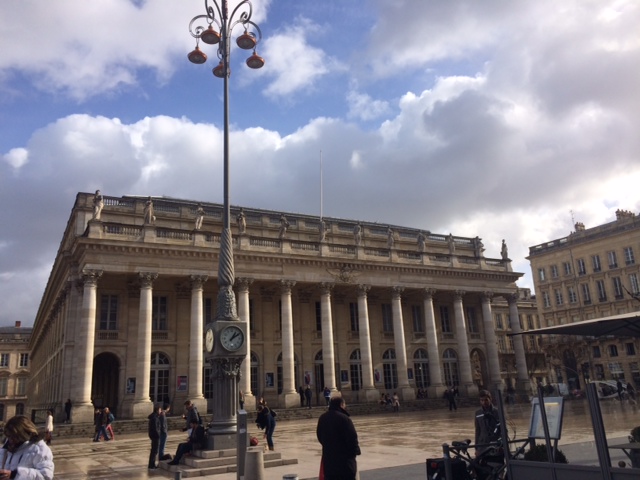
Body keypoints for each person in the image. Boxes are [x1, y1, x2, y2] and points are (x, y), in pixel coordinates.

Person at [316, 396, 361, 480]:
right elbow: (352, 439)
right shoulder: (345, 419)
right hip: (345, 463)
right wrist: (354, 453)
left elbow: (319, 436)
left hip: (329, 461)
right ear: (341, 405)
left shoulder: (322, 418)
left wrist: (328, 445)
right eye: (344, 405)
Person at [0, 415, 54, 480]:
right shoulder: (8, 445)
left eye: (13, 437)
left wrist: (14, 475)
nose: (10, 440)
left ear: (23, 434)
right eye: (9, 436)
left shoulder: (39, 449)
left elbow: (46, 476)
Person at [475, 390, 501, 455]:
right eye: (482, 400)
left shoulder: (497, 412)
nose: (484, 402)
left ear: (490, 399)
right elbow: (477, 430)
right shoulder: (478, 413)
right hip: (482, 444)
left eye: (486, 400)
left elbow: (503, 429)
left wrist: (501, 444)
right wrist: (476, 447)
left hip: (495, 443)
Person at [148, 405, 161, 470]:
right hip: (155, 436)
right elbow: (156, 428)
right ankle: (152, 465)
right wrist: (159, 435)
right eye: (160, 410)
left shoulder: (153, 417)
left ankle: (151, 464)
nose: (160, 411)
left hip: (153, 436)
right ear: (157, 410)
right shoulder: (155, 418)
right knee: (155, 451)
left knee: (153, 451)